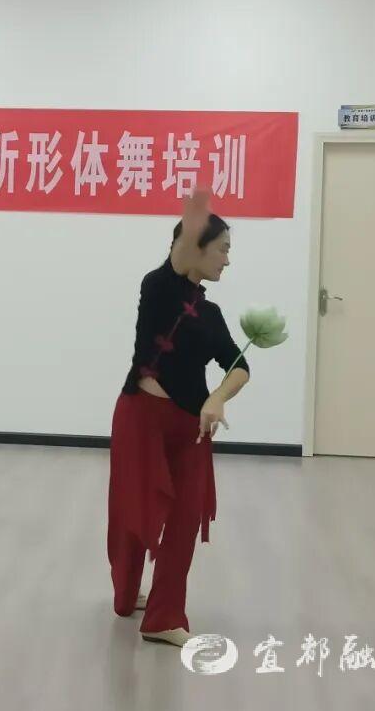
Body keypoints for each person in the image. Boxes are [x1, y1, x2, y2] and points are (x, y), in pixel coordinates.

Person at [108, 190, 250, 647]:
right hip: (142, 419)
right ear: (194, 248)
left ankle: (164, 616)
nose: (227, 260)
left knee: (186, 518)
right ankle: (127, 591)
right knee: (135, 513)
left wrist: (217, 398)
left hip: (192, 428)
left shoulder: (211, 313)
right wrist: (193, 221)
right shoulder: (157, 288)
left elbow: (240, 366)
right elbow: (178, 255)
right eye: (222, 249)